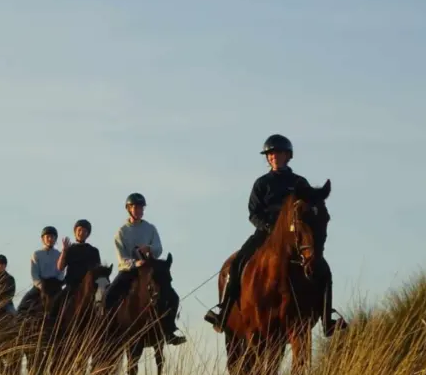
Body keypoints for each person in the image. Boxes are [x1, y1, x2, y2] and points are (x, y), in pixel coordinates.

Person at [203, 134, 347, 336]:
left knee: (323, 269)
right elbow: (254, 213)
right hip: (265, 233)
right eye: (270, 154)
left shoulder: (299, 182)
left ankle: (326, 318)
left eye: (277, 153)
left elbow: (308, 209)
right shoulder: (262, 183)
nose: (273, 157)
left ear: (287, 156)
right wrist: (270, 228)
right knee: (236, 264)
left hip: (294, 238)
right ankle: (224, 311)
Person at [103, 193, 186, 346]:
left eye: (141, 207)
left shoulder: (150, 228)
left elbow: (159, 248)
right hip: (129, 270)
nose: (139, 210)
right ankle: (108, 332)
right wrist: (135, 264)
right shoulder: (121, 232)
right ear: (128, 209)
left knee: (173, 297)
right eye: (135, 207)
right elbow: (121, 259)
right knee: (108, 296)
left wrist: (149, 248)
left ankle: (169, 331)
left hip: (149, 269)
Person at [16, 226, 65, 315]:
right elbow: (34, 274)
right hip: (41, 286)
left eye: (53, 237)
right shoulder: (37, 254)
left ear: (55, 239)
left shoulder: (59, 254)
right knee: (22, 307)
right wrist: (41, 285)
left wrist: (58, 282)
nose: (50, 239)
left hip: (55, 286)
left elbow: (61, 272)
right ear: (43, 239)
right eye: (48, 237)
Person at [57, 219, 102, 289]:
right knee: (56, 299)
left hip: (88, 286)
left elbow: (98, 270)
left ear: (88, 234)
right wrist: (64, 251)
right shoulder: (70, 249)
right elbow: (60, 267)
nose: (81, 233)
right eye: (79, 230)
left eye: (84, 231)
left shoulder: (93, 251)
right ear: (75, 232)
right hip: (71, 286)